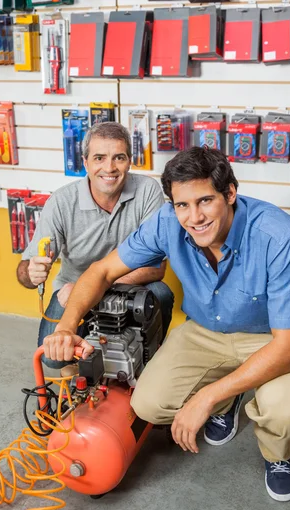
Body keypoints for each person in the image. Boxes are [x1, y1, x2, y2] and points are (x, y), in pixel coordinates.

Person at [43, 147, 290, 503]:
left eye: (205, 200)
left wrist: (205, 398)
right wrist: (66, 327)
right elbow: (101, 271)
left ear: (230, 194)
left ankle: (278, 454)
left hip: (270, 339)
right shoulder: (166, 222)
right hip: (205, 332)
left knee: (284, 415)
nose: (194, 217)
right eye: (182, 205)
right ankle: (230, 399)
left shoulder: (278, 236)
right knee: (147, 406)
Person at [17, 122, 174, 368]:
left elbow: (155, 269)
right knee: (52, 358)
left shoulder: (147, 191)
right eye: (99, 158)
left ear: (130, 161)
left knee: (161, 293)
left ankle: (149, 361)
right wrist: (30, 273)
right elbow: (25, 275)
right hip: (70, 294)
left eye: (118, 158)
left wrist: (94, 287)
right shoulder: (61, 202)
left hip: (127, 287)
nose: (109, 168)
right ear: (85, 162)